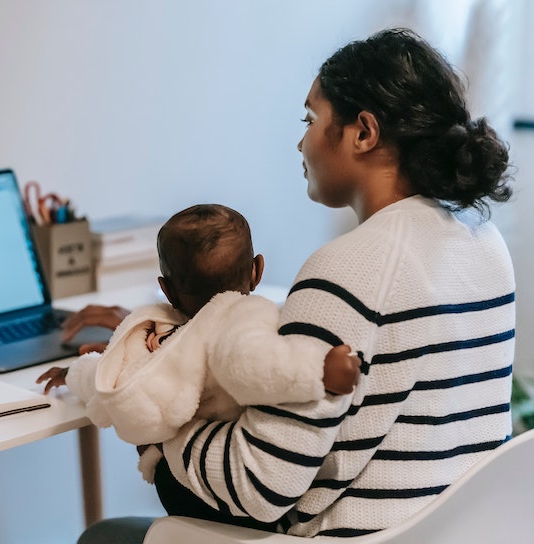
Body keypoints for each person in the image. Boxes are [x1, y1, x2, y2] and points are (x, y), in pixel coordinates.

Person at [72, 28, 515, 543]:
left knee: (107, 535)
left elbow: (260, 486)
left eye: (311, 119)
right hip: (453, 532)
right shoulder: (483, 242)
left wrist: (154, 402)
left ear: (363, 133)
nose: (300, 141)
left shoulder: (349, 266)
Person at [37, 204, 361, 482]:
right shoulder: (240, 320)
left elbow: (110, 381)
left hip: (185, 481)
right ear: (257, 271)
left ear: (166, 290)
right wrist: (320, 370)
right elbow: (258, 365)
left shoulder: (164, 340)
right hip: (214, 481)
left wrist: (73, 373)